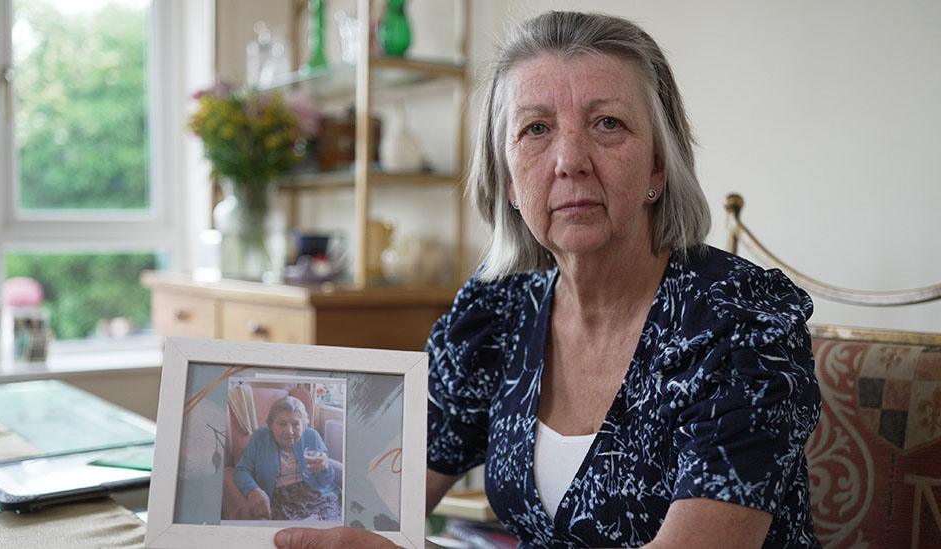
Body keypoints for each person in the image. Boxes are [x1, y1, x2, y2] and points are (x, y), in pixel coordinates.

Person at [275, 11, 819, 549]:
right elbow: (379, 502)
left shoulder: (738, 322)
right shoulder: (496, 316)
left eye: (608, 124)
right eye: (536, 129)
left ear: (658, 165)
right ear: (508, 179)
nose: (570, 160)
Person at [233, 395, 340, 521]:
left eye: (296, 424)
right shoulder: (260, 438)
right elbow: (241, 470)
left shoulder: (312, 436)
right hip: (279, 499)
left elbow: (326, 481)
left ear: (304, 425)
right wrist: (253, 490)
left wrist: (325, 468)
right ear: (271, 425)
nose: (289, 431)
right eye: (282, 424)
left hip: (315, 494)